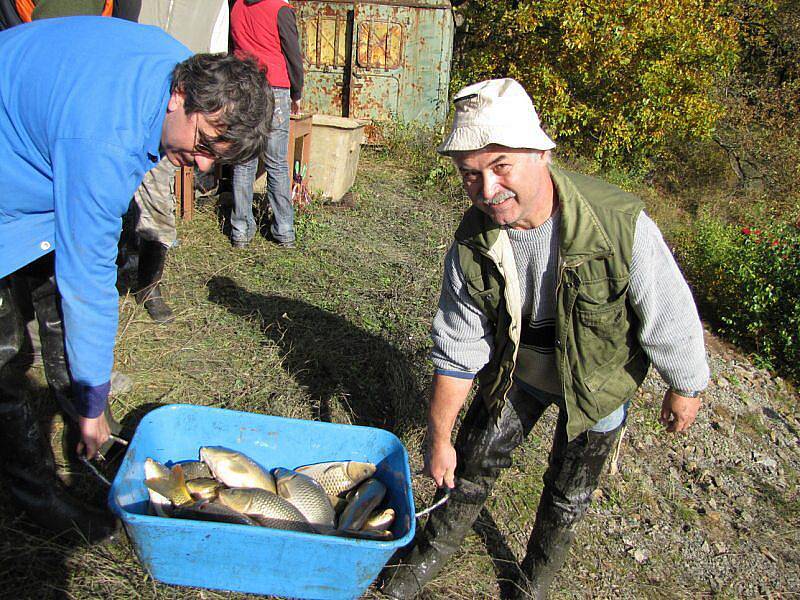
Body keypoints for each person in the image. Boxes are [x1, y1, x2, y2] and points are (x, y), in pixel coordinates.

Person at [380, 78, 710, 599]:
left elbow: (667, 307)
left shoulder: (618, 224)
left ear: (540, 153)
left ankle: (531, 586)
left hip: (599, 383)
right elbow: (458, 348)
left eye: (501, 166)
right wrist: (439, 438)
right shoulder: (473, 242)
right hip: (520, 374)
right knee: (467, 469)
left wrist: (686, 383)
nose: (487, 191)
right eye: (470, 175)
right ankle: (412, 570)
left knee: (568, 496)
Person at [0, 16, 271, 541]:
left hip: (38, 145)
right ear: (180, 96)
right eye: (205, 144)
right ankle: (36, 495)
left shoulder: (176, 63)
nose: (202, 165)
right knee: (7, 353)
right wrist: (97, 401)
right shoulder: (104, 139)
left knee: (53, 304)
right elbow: (89, 283)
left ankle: (86, 421)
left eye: (217, 157)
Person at [128, 0, 231, 323]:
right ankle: (121, 262)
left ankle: (149, 285)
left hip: (179, 114)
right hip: (133, 98)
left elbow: (216, 59)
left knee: (157, 197)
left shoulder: (213, 6)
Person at [229, 0, 304, 249]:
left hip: (243, 86)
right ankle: (284, 230)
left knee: (244, 161)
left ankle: (240, 230)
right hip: (275, 88)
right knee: (276, 163)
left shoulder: (236, 6)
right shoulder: (280, 9)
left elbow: (232, 46)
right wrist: (297, 92)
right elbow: (292, 53)